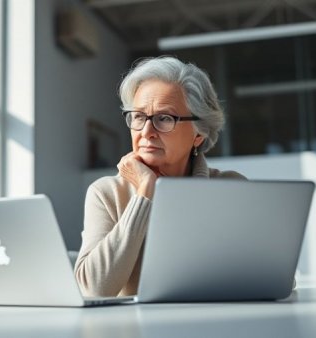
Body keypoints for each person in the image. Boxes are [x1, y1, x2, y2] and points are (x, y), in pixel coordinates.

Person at [74, 56, 245, 297]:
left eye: (164, 118)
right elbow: (93, 290)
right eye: (139, 117)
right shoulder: (106, 193)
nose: (146, 132)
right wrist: (145, 192)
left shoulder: (231, 188)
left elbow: (277, 278)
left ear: (199, 134)